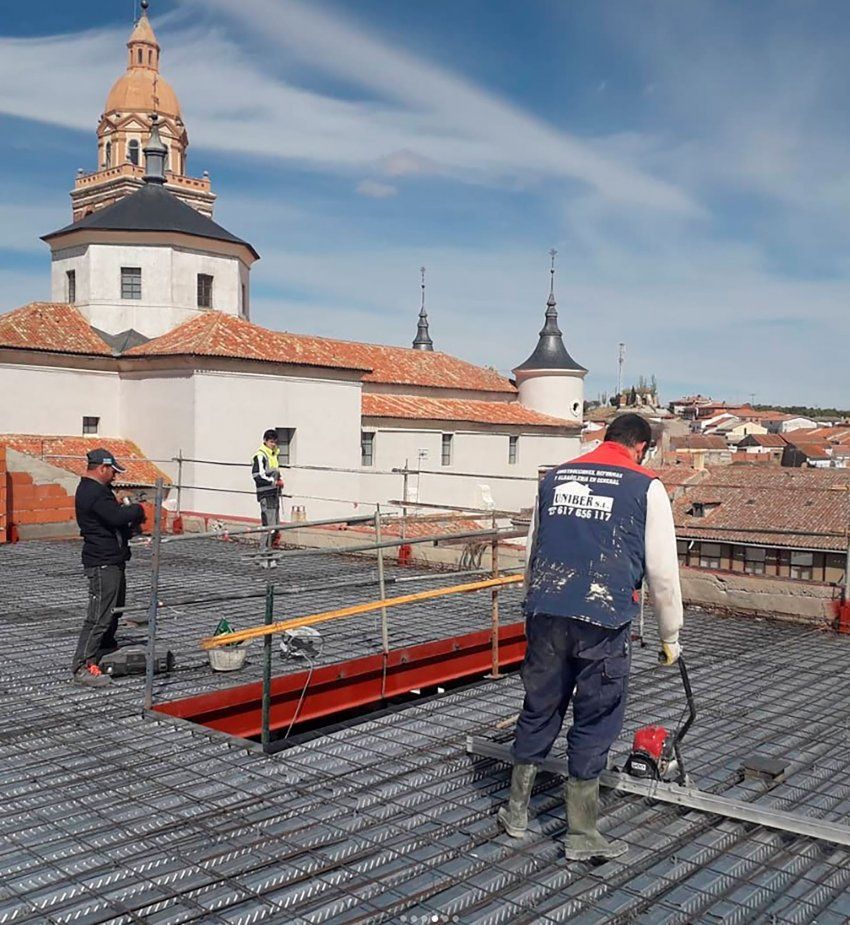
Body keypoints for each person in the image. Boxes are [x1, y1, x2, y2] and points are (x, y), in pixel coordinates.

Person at [498, 413, 683, 860]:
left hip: (546, 610)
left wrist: (531, 603)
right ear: (641, 446)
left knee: (540, 706)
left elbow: (533, 548)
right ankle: (581, 834)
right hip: (603, 619)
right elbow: (662, 571)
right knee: (596, 717)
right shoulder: (646, 486)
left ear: (605, 437)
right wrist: (670, 635)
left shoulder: (556, 478)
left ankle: (516, 813)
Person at [72, 448, 146, 688]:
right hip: (102, 562)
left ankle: (104, 646)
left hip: (112, 559)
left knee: (114, 609)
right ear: (102, 468)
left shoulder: (97, 491)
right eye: (113, 471)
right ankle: (83, 665)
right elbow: (115, 517)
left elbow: (113, 520)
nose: (114, 477)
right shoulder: (93, 492)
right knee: (99, 615)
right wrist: (136, 509)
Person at [252, 429, 284, 568]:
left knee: (274, 526)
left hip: (274, 494)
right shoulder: (260, 456)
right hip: (266, 494)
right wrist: (273, 481)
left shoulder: (274, 454)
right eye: (271, 442)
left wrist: (278, 482)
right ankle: (263, 555)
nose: (273, 444)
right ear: (265, 440)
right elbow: (257, 475)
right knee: (268, 526)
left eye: (275, 442)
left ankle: (266, 554)